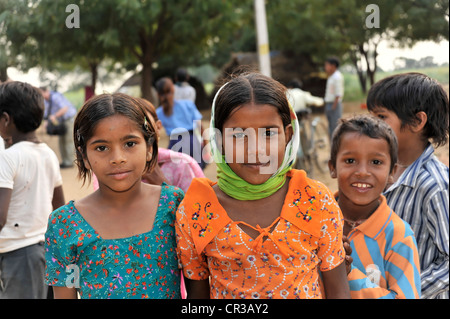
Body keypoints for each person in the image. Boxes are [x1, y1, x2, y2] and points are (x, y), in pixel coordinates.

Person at [175, 72, 350, 299]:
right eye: (238, 135)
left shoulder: (316, 200)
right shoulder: (196, 210)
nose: (255, 149)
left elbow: (339, 292)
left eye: (268, 133)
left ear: (288, 136)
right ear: (219, 141)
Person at [44, 93, 184, 299]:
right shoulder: (64, 225)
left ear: (149, 148)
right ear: (84, 157)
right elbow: (65, 295)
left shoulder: (174, 205)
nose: (117, 158)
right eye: (102, 148)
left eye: (130, 144)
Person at [367, 72, 449, 299]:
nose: (372, 126)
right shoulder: (379, 171)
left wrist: (404, 291)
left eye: (381, 117)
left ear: (417, 121)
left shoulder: (435, 185)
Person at [328, 114, 421, 299]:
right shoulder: (312, 220)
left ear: (392, 173)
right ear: (332, 167)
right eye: (350, 161)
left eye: (376, 162)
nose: (362, 172)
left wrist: (348, 274)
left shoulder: (399, 236)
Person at [0, 81, 65, 298]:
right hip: (43, 249)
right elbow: (60, 209)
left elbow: (0, 217)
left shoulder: (8, 158)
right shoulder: (48, 154)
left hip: (18, 253)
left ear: (6, 119)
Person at [155, 77, 206, 169]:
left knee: (179, 176)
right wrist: (205, 145)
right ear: (173, 89)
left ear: (158, 94)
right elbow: (200, 126)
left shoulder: (158, 113)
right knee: (197, 173)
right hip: (192, 142)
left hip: (175, 146)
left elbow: (154, 133)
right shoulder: (187, 104)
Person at [40, 87, 77, 168]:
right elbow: (47, 115)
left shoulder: (56, 97)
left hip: (69, 119)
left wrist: (54, 116)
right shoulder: (46, 101)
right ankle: (65, 161)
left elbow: (65, 108)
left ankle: (69, 162)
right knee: (61, 141)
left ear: (46, 91)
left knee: (68, 140)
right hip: (61, 121)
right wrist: (46, 123)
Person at [324, 57, 344, 139]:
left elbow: (338, 94)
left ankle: (336, 147)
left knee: (335, 126)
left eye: (327, 65)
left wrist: (334, 106)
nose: (325, 67)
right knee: (331, 127)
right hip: (329, 103)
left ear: (333, 66)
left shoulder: (337, 77)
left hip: (334, 104)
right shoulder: (331, 77)